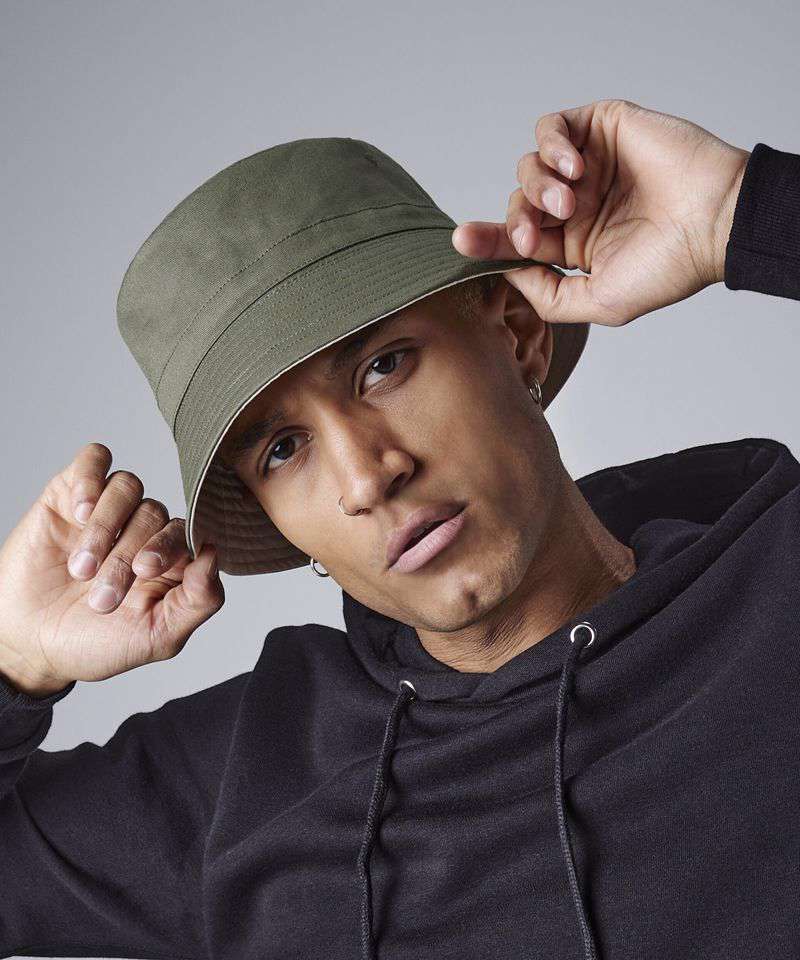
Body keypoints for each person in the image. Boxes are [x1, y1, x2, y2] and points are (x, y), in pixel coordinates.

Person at [0, 98, 797, 959]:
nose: (365, 477)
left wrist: (743, 211)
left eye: (384, 367)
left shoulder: (778, 580)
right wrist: (14, 661)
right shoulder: (243, 778)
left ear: (518, 335)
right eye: (282, 449)